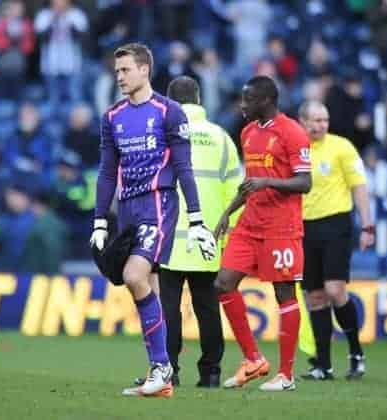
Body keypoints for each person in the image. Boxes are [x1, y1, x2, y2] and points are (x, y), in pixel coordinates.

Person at [91, 43, 216, 398]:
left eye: (126, 70)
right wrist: (100, 220)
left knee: (133, 276)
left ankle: (161, 367)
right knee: (153, 291)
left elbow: (183, 168)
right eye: (117, 72)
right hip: (127, 210)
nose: (120, 77)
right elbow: (106, 173)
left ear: (145, 69)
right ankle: (162, 374)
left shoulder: (169, 111)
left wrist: (195, 220)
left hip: (159, 204)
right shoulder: (112, 116)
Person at [213, 75, 312, 391]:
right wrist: (227, 213)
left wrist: (269, 182)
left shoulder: (293, 132)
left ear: (265, 101)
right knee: (223, 283)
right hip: (249, 224)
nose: (242, 106)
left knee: (284, 294)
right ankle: (253, 359)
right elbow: (250, 181)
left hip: (281, 228)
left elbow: (304, 182)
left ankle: (285, 375)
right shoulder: (248, 132)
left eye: (248, 100)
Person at [158, 76, 242, 388]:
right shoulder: (220, 137)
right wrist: (229, 234)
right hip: (207, 238)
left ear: (169, 102)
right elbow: (237, 190)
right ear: (199, 99)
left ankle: (169, 371)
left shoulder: (163, 134)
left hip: (169, 238)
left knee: (168, 309)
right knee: (207, 308)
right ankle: (211, 372)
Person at [298, 100, 374, 380]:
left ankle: (356, 353)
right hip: (304, 227)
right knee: (315, 297)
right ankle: (324, 366)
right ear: (301, 122)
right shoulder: (296, 148)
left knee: (335, 290)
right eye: (315, 120)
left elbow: (360, 187)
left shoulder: (342, 147)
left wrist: (367, 225)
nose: (321, 125)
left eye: (324, 120)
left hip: (336, 224)